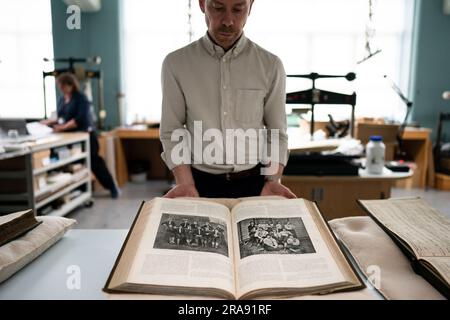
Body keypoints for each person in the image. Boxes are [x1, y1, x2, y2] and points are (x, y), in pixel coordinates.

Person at [160, 0, 296, 199]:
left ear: (251, 6)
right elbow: (172, 130)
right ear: (202, 4)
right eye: (218, 8)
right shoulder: (176, 63)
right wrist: (185, 182)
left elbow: (276, 133)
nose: (228, 21)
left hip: (256, 184)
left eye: (238, 9)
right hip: (197, 185)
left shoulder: (270, 65)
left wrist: (272, 181)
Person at [43, 73, 120, 199]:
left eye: (63, 86)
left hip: (87, 137)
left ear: (71, 85)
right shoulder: (62, 100)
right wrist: (47, 122)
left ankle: (112, 187)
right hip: (70, 139)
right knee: (72, 165)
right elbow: (59, 117)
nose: (61, 89)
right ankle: (76, 192)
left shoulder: (81, 99)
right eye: (59, 87)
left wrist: (62, 127)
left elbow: (78, 119)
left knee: (95, 163)